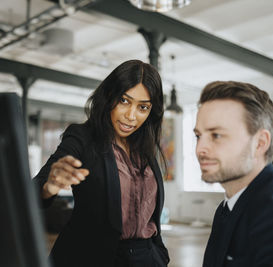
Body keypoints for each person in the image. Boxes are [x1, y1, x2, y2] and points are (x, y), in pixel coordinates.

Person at [33, 59, 170, 267]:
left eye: (143, 107)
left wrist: (157, 254)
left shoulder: (146, 147)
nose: (131, 116)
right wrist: (49, 186)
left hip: (146, 258)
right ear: (109, 96)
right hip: (93, 257)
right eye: (124, 101)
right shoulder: (83, 138)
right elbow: (34, 189)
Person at [193, 81, 273, 267]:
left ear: (260, 143)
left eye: (216, 135)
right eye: (198, 136)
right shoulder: (226, 207)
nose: (200, 149)